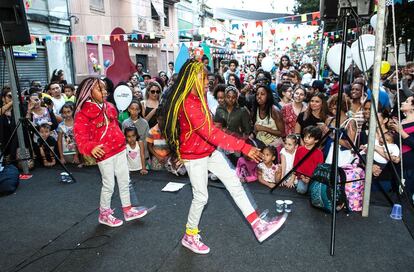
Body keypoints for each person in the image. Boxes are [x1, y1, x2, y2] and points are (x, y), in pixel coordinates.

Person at [162, 59, 287, 254]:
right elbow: (210, 133)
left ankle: (257, 224)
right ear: (191, 78)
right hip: (194, 156)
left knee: (234, 182)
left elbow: (210, 130)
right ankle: (190, 235)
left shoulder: (200, 97)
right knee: (201, 197)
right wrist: (244, 147)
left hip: (209, 150)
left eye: (207, 77)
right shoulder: (188, 104)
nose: (207, 82)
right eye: (203, 77)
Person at [74, 77, 148, 227]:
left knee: (125, 181)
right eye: (99, 89)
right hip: (104, 153)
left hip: (120, 149)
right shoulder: (83, 113)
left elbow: (114, 125)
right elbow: (80, 137)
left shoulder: (109, 106)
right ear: (89, 92)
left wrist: (121, 139)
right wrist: (90, 147)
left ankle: (127, 209)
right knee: (109, 184)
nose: (104, 91)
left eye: (104, 88)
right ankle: (104, 214)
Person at [389, 95, 414, 200]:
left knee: (406, 195)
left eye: (407, 101)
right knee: (397, 194)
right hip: (397, 162)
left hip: (410, 165)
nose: (403, 102)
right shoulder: (401, 122)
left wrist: (401, 131)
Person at [291, 126, 324, 194]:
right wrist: (302, 176)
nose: (306, 139)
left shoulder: (319, 153)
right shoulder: (300, 149)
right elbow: (296, 164)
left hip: (313, 178)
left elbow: (319, 168)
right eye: (305, 136)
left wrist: (310, 178)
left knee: (315, 191)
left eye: (309, 137)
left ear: (316, 140)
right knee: (301, 190)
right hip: (302, 177)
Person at [57, 102, 82, 167]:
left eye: (69, 112)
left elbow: (78, 140)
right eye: (64, 112)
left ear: (73, 112)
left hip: (77, 151)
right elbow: (59, 141)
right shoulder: (61, 126)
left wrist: (76, 155)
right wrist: (61, 157)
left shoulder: (77, 123)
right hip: (66, 151)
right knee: (69, 163)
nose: (67, 114)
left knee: (77, 162)